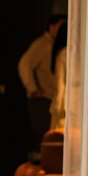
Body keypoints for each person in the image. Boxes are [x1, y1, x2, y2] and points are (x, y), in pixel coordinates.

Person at [18, 13, 67, 152]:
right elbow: (24, 64)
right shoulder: (42, 44)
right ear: (52, 27)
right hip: (41, 99)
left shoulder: (55, 47)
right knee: (43, 138)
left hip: (49, 98)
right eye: (61, 26)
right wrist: (33, 89)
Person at [49, 20, 68, 131]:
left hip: (64, 103)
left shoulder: (64, 53)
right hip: (68, 102)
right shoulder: (65, 53)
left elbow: (60, 82)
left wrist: (57, 106)